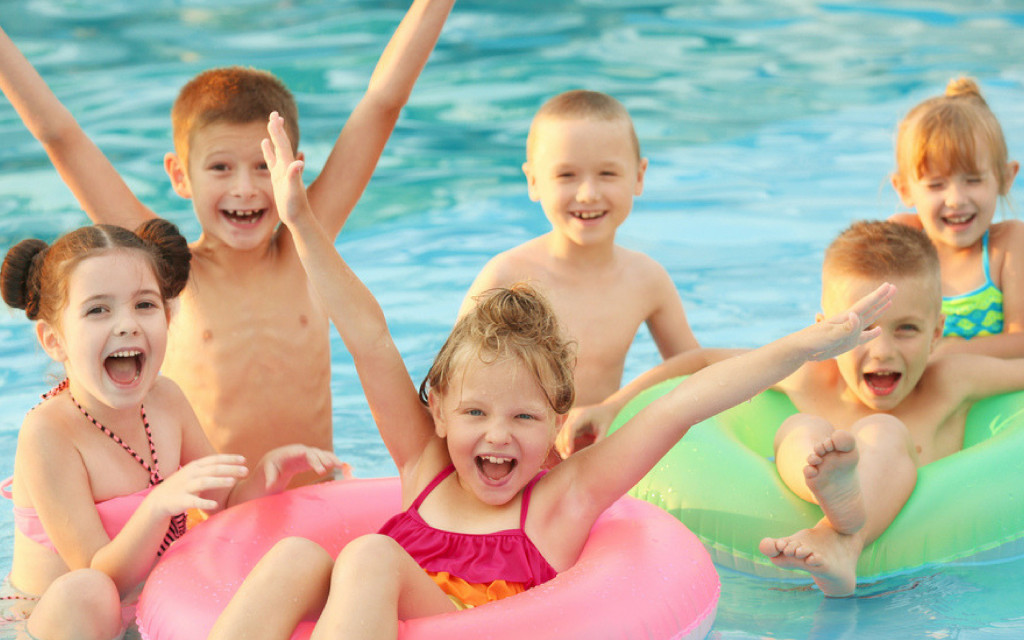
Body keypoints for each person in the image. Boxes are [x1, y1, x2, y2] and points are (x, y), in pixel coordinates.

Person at [202, 114, 893, 639]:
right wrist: (299, 222)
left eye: (525, 418)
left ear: (559, 424)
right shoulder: (425, 464)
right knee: (297, 554)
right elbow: (369, 336)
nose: (496, 436)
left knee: (370, 558)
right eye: (474, 413)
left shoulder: (565, 500)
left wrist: (803, 346)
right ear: (437, 410)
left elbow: (679, 405)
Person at [0, 0, 454, 486]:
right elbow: (60, 137)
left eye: (264, 165)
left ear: (292, 166)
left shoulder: (307, 246)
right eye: (220, 167)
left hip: (317, 503)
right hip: (216, 521)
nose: (245, 187)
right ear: (180, 175)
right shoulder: (163, 271)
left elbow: (382, 104)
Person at [563, 220, 1024, 596]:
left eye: (906, 329)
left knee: (883, 432)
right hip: (841, 572)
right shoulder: (803, 373)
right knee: (800, 428)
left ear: (938, 331)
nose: (882, 352)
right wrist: (613, 404)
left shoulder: (952, 380)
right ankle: (832, 487)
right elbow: (701, 362)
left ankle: (840, 533)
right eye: (862, 328)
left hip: (917, 574)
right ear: (825, 330)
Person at [0, 220, 345, 638]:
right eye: (98, 310)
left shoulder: (167, 401)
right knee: (86, 591)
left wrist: (269, 476)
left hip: (159, 606)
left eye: (144, 305)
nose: (126, 323)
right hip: (58, 619)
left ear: (167, 315)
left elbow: (226, 506)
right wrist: (158, 503)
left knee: (293, 561)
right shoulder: (49, 433)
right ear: (54, 341)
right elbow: (102, 576)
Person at [457, 90, 700, 456]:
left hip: (596, 457)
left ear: (639, 176)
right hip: (516, 460)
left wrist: (621, 405)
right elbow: (454, 387)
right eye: (567, 175)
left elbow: (694, 374)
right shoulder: (506, 277)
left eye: (606, 173)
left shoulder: (647, 279)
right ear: (534, 181)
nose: (587, 193)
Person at [890, 76, 1024, 358]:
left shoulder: (1008, 246)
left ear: (1004, 178)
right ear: (904, 189)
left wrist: (948, 354)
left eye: (973, 180)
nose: (956, 200)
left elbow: (1021, 340)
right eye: (936, 185)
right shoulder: (902, 242)